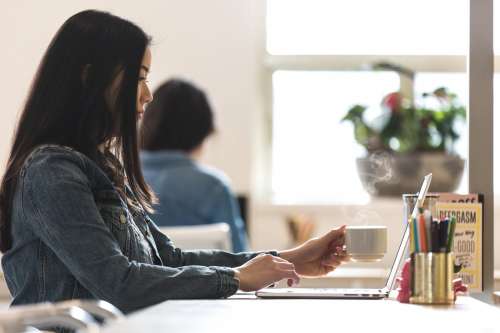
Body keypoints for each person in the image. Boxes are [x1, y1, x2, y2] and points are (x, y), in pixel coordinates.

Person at [0, 10, 348, 316]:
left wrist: (290, 259)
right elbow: (118, 282)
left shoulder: (98, 167)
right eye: (138, 77)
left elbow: (169, 260)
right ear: (90, 77)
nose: (148, 94)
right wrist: (236, 278)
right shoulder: (51, 171)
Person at [140, 79, 248, 252]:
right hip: (206, 279)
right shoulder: (213, 187)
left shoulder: (119, 177)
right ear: (202, 131)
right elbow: (241, 260)